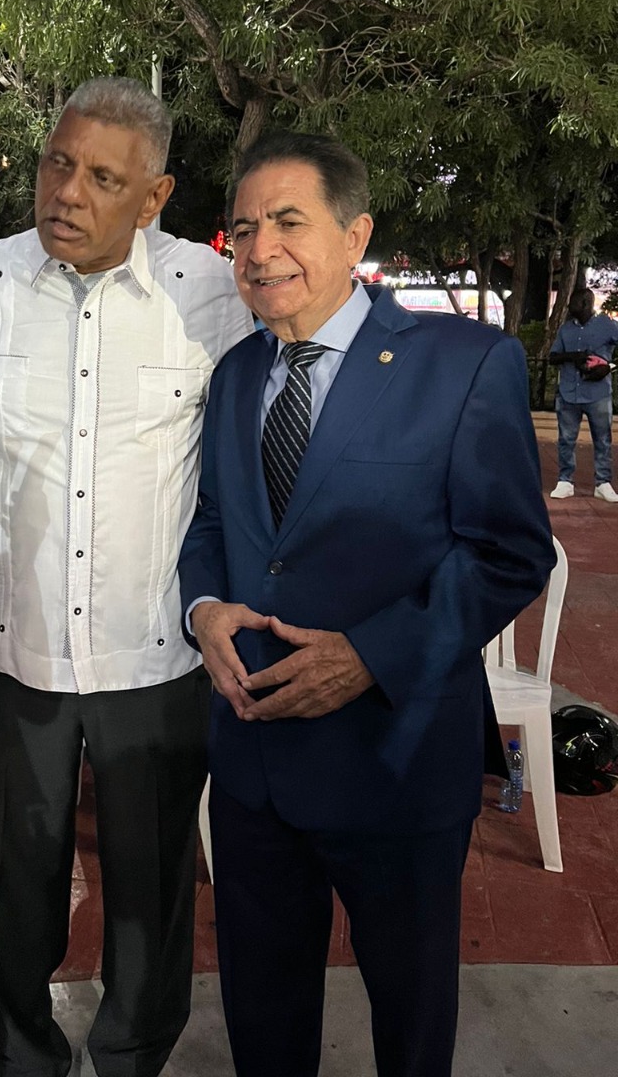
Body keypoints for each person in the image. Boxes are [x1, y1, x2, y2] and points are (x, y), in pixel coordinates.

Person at [178, 130, 556, 1077]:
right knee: (263, 1014)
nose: (260, 249)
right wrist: (204, 608)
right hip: (256, 761)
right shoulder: (235, 376)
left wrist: (370, 655)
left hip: (396, 757)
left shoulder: (465, 363)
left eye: (288, 222)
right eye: (243, 229)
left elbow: (509, 553)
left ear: (356, 236)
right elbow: (214, 524)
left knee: (411, 1014)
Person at [0, 77, 253, 1077]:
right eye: (57, 163)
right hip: (13, 651)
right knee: (14, 888)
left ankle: (131, 1056)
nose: (67, 192)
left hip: (153, 656)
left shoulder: (210, 295)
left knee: (150, 894)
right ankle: (24, 1052)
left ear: (153, 198)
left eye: (103, 178)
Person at [548, 287, 618, 501]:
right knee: (566, 439)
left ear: (586, 303)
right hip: (569, 392)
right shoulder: (565, 329)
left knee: (602, 439)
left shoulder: (608, 325)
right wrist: (573, 356)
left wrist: (609, 367)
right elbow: (553, 357)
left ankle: (603, 483)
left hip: (598, 393)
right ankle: (565, 481)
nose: (570, 306)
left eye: (574, 302)